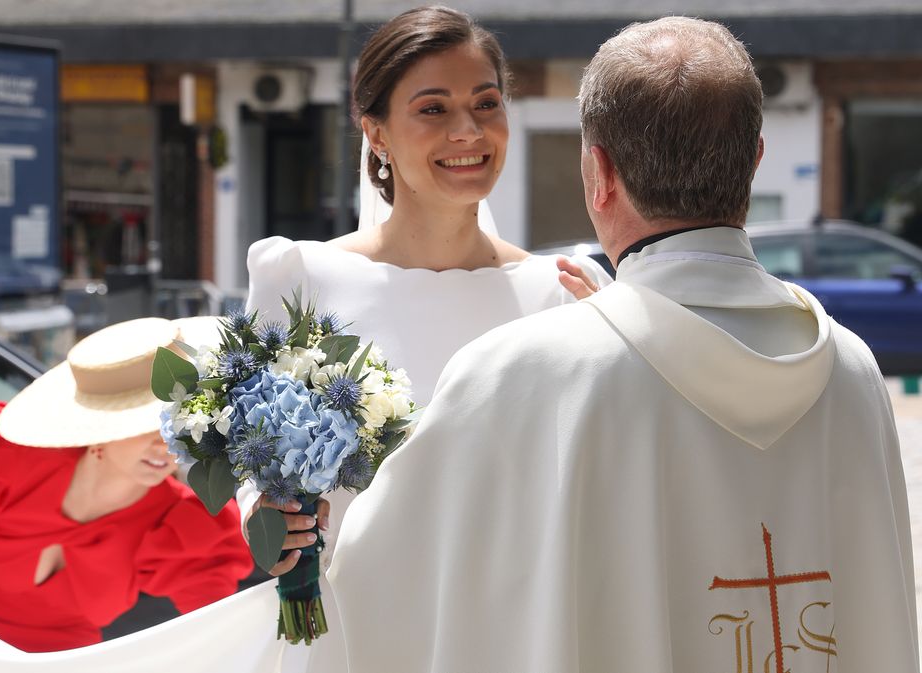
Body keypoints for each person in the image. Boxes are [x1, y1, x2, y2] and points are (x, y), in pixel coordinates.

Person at [328, 16, 918, 673]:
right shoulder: (852, 368)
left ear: (599, 172)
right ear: (754, 160)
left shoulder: (520, 371)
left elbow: (379, 577)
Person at [235, 5, 611, 672]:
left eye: (486, 103)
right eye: (433, 109)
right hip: (351, 632)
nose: (468, 131)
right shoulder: (301, 279)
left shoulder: (560, 294)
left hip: (509, 636)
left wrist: (615, 344)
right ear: (376, 132)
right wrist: (265, 516)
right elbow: (248, 453)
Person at [0, 317, 254, 653]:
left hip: (47, 659)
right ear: (101, 430)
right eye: (147, 425)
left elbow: (217, 627)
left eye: (178, 423)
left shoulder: (177, 518)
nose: (165, 443)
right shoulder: (5, 458)